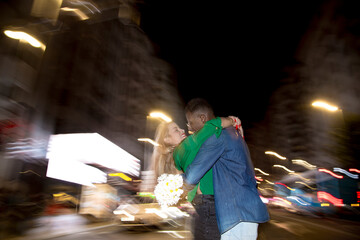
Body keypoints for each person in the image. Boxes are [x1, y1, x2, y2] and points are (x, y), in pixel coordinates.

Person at [181, 98, 270, 240]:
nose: (190, 128)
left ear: (202, 118)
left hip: (237, 217)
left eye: (191, 122)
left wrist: (170, 185)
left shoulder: (217, 137)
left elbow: (192, 176)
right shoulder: (232, 133)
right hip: (245, 214)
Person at [150, 115, 240, 240]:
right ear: (167, 139)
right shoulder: (188, 146)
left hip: (202, 208)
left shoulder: (177, 158)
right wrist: (233, 120)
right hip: (209, 206)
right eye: (176, 130)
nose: (182, 130)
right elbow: (213, 125)